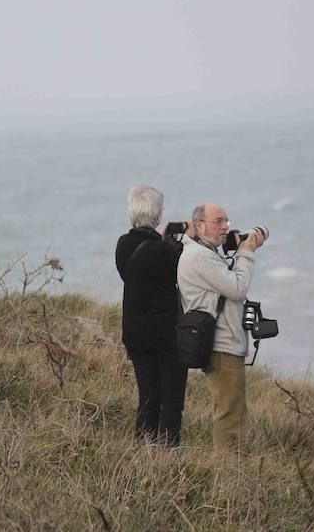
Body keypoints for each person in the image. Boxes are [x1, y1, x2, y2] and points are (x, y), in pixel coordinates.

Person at [177, 203, 264, 452]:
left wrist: (238, 253)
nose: (225, 226)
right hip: (222, 345)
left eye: (226, 220)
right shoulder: (199, 256)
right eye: (218, 221)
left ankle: (229, 474)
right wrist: (246, 253)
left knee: (231, 410)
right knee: (230, 416)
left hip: (220, 342)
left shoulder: (204, 253)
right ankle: (228, 477)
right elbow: (237, 288)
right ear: (199, 225)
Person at [115, 186, 188, 446]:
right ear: (158, 215)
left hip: (135, 333)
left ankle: (142, 453)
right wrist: (177, 243)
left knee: (147, 398)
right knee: (170, 401)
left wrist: (163, 240)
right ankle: (167, 456)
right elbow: (182, 276)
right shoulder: (166, 251)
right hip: (165, 335)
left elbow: (135, 273)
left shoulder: (123, 245)